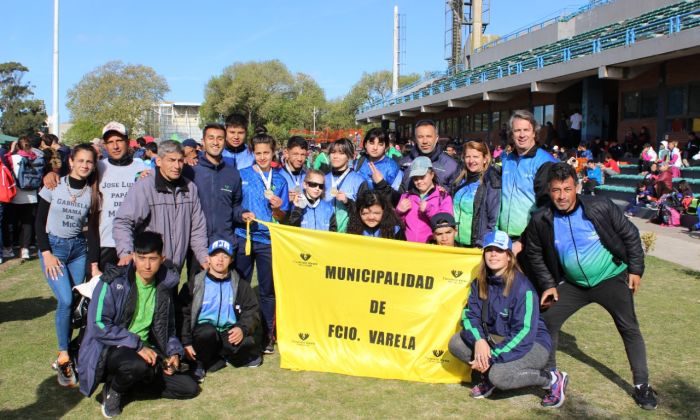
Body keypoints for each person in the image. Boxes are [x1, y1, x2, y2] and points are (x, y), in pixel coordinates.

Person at [521, 162, 657, 410]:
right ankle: (551, 378)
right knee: (548, 319)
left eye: (567, 189)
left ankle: (642, 386)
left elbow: (629, 235)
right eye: (556, 190)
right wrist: (549, 284)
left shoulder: (600, 207)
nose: (562, 196)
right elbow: (534, 253)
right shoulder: (542, 218)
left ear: (577, 187)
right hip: (574, 284)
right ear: (549, 192)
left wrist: (636, 269)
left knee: (629, 327)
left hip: (611, 278)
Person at [77, 232, 199, 418]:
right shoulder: (112, 282)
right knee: (136, 366)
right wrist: (138, 345)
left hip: (147, 350)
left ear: (162, 259)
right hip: (112, 348)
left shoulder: (163, 288)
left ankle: (131, 386)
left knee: (189, 388)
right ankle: (115, 390)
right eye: (141, 258)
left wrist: (174, 353)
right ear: (133, 256)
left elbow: (168, 329)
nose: (147, 265)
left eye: (153, 259)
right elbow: (98, 324)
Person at [448, 231, 563, 407]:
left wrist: (491, 357)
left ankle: (552, 379)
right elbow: (470, 315)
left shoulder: (523, 288)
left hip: (532, 343)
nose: (493, 254)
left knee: (499, 376)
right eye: (489, 250)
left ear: (509, 256)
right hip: (498, 338)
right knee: (456, 343)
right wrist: (479, 340)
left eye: (499, 250)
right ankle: (489, 378)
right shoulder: (480, 282)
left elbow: (523, 333)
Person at [35, 143, 101, 387]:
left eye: (89, 162)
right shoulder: (54, 184)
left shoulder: (93, 191)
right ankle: (63, 353)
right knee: (64, 300)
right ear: (71, 161)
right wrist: (47, 253)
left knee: (76, 303)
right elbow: (39, 221)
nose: (85, 165)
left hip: (78, 250)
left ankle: (73, 350)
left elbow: (92, 231)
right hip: (54, 249)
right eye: (81, 160)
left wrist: (93, 264)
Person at [44, 122, 150, 270]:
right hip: (104, 242)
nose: (115, 146)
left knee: (132, 291)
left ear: (127, 141)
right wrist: (52, 174)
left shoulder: (143, 169)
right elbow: (73, 178)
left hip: (134, 242)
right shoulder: (98, 167)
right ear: (105, 145)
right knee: (100, 291)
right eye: (110, 142)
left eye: (119, 140)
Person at [113, 140, 209, 274]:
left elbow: (197, 228)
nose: (177, 166)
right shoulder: (145, 187)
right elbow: (123, 221)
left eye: (180, 161)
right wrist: (126, 252)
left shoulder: (190, 188)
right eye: (171, 160)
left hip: (175, 269)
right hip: (149, 270)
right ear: (159, 161)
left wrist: (203, 257)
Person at [235, 131, 289, 355]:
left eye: (267, 152)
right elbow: (233, 205)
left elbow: (283, 216)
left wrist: (277, 207)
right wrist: (242, 214)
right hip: (244, 236)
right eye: (258, 153)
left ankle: (268, 335)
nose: (263, 157)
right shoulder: (241, 175)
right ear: (252, 153)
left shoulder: (280, 179)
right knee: (241, 287)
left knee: (267, 291)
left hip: (268, 240)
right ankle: (239, 331)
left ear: (273, 151)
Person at [179, 239, 262, 383]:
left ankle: (221, 358)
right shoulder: (195, 284)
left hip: (226, 331)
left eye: (225, 256)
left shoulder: (240, 284)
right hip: (202, 332)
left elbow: (252, 310)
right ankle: (199, 364)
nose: (220, 260)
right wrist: (186, 341)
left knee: (249, 343)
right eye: (216, 255)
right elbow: (183, 314)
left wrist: (242, 328)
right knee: (207, 332)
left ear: (231, 260)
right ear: (208, 258)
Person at [182, 123, 244, 280]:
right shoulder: (190, 170)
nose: (215, 142)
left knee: (224, 291)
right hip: (197, 243)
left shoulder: (233, 173)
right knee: (195, 292)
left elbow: (235, 206)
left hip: (225, 241)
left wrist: (243, 214)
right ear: (203, 141)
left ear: (225, 141)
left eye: (220, 138)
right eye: (211, 138)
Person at [498, 110, 557, 252]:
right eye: (517, 130)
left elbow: (546, 207)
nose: (522, 135)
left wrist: (523, 241)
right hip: (505, 238)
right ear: (512, 134)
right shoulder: (506, 160)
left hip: (530, 240)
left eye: (526, 130)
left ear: (534, 133)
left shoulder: (545, 162)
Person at [451, 141, 501, 248]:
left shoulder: (491, 181)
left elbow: (494, 220)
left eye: (476, 156)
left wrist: (482, 243)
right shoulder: (460, 178)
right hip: (456, 243)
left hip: (476, 245)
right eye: (468, 156)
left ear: (485, 158)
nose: (471, 160)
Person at [396, 157, 453, 243]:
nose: (419, 181)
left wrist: (429, 209)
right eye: (415, 178)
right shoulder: (406, 196)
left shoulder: (443, 196)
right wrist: (399, 212)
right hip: (409, 248)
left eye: (422, 177)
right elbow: (398, 224)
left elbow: (446, 224)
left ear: (432, 174)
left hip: (431, 248)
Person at [4, 136, 43, 260]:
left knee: (12, 222)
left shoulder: (12, 158)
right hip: (31, 194)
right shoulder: (37, 157)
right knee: (27, 223)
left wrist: (11, 150)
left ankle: (10, 246)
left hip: (15, 194)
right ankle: (25, 248)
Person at [398, 120, 459, 191]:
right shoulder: (403, 163)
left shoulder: (452, 165)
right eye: (420, 137)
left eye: (429, 136)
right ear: (415, 139)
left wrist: (445, 194)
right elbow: (396, 195)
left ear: (436, 139)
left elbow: (456, 196)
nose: (425, 141)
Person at [324, 138, 368, 233]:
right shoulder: (323, 179)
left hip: (348, 235)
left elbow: (365, 211)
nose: (335, 156)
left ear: (349, 156)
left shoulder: (359, 181)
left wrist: (347, 201)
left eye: (341, 153)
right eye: (333, 152)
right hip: (324, 234)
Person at [280, 136, 308, 205]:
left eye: (303, 154)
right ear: (286, 153)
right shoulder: (277, 176)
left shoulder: (308, 176)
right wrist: (283, 200)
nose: (299, 159)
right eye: (295, 154)